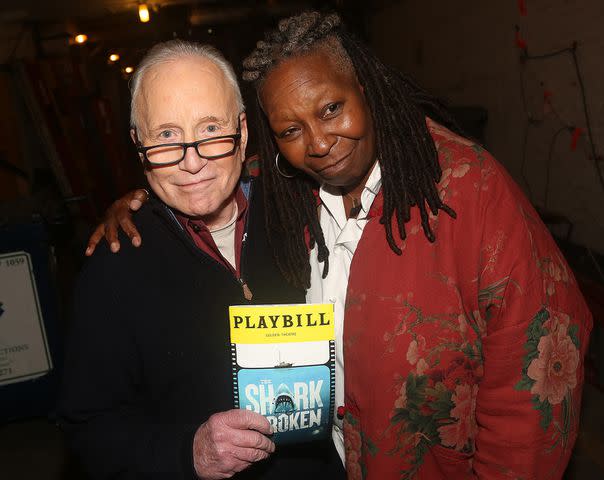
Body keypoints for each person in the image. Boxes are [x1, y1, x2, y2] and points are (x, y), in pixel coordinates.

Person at [88, 11, 593, 479]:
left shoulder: (469, 192)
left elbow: (536, 389)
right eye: (290, 128)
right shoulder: (288, 193)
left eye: (331, 108)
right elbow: (203, 176)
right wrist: (145, 201)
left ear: (367, 87)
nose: (319, 142)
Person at [57, 40, 344, 480]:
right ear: (139, 145)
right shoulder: (114, 266)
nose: (192, 162)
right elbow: (87, 428)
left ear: (242, 131)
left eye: (211, 129)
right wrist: (187, 453)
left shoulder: (306, 211)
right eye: (167, 136)